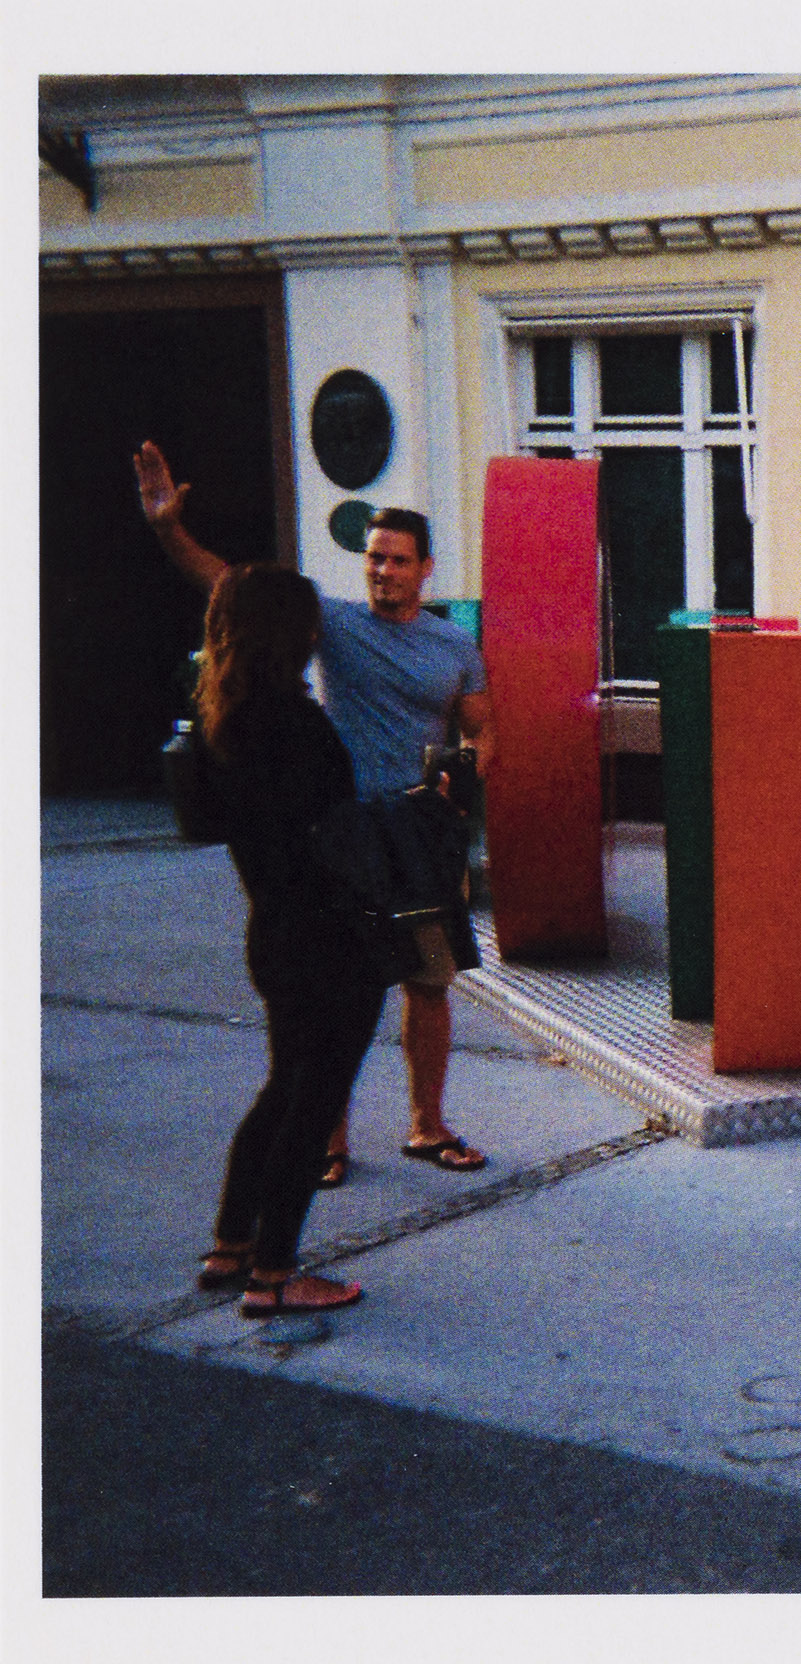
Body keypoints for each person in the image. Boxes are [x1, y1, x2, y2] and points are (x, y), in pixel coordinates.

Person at [136, 441, 494, 1185]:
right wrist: (170, 530)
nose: (382, 571)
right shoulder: (331, 622)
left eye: (398, 560)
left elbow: (482, 727)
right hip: (344, 837)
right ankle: (328, 1141)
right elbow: (233, 587)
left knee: (428, 984)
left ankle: (426, 1127)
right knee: (341, 992)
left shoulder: (455, 645)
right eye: (373, 558)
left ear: (426, 568)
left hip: (420, 837)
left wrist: (466, 778)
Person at [190, 565, 391, 1315]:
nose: (316, 636)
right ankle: (277, 1274)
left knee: (283, 1087)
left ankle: (231, 1243)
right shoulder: (301, 728)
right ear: (288, 634)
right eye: (307, 624)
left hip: (271, 929)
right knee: (316, 1100)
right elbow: (340, 838)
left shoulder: (224, 724)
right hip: (331, 938)